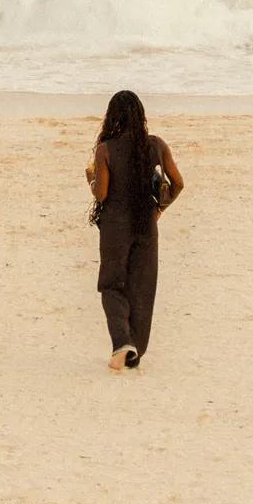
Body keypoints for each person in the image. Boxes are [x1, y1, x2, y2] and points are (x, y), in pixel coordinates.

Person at [86, 89, 185, 371]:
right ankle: (135, 351)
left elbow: (102, 195)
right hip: (146, 225)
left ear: (112, 117)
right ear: (141, 116)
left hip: (115, 228)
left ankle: (122, 343)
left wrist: (91, 179)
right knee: (142, 287)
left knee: (111, 284)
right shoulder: (156, 146)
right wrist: (158, 211)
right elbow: (178, 184)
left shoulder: (106, 149)